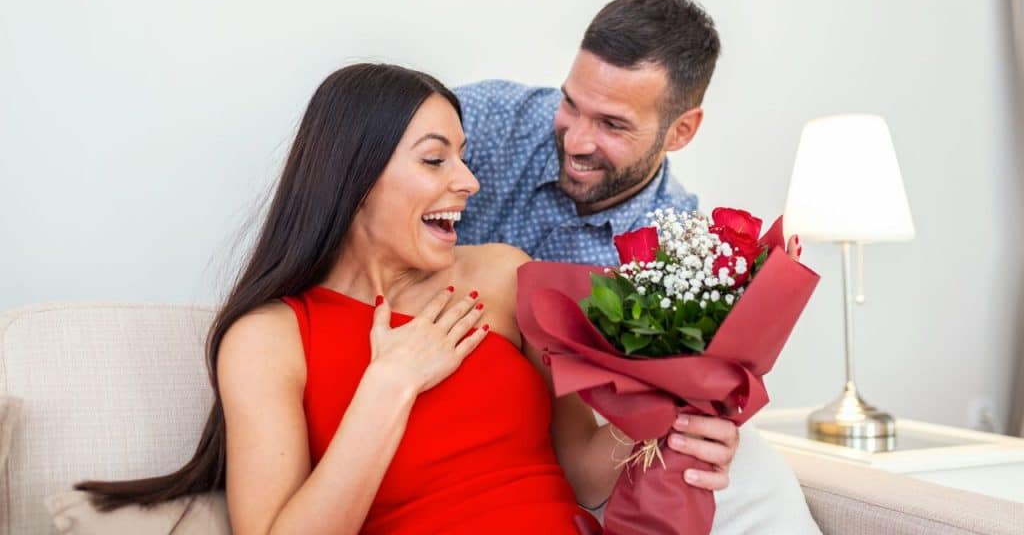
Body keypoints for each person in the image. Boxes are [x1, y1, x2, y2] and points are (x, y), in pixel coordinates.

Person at [74, 63, 732, 534]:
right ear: (356, 178)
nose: (468, 181)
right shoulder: (268, 338)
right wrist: (391, 382)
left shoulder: (506, 276)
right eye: (435, 160)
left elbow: (583, 473)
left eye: (463, 157)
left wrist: (670, 424)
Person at [453, 0, 818, 532]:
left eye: (612, 124)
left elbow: (615, 436)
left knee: (754, 471)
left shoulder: (676, 258)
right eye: (571, 104)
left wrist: (695, 427)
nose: (576, 140)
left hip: (556, 444)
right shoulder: (479, 124)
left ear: (682, 131)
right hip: (441, 394)